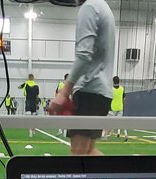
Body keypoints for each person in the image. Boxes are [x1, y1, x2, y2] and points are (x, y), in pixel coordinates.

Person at [48, 0, 116, 156]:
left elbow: (84, 55)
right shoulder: (103, 7)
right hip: (101, 92)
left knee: (78, 156)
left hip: (90, 91)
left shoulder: (90, 7)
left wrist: (64, 93)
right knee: (89, 152)